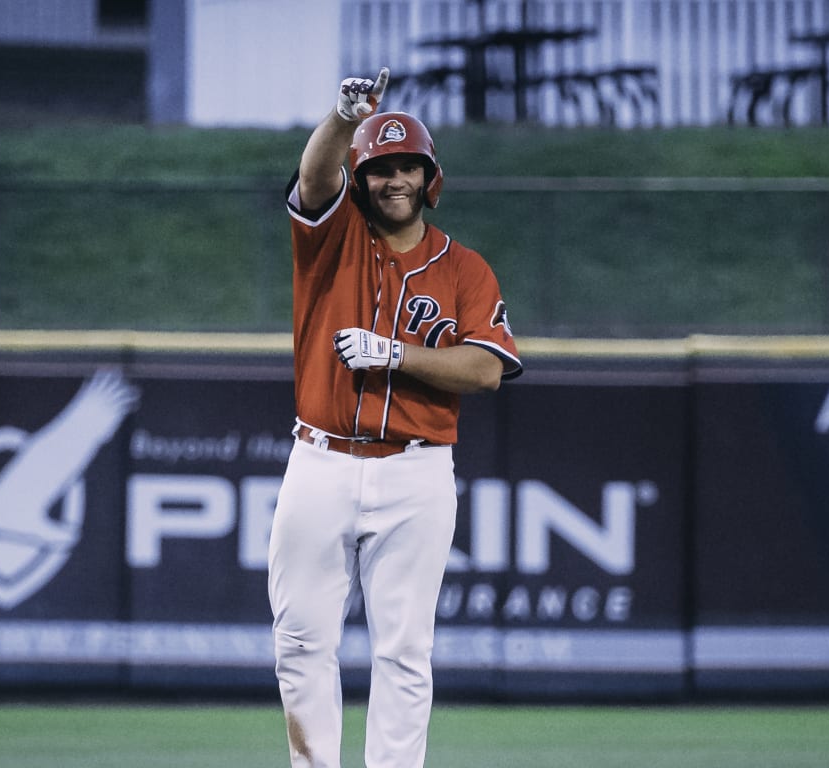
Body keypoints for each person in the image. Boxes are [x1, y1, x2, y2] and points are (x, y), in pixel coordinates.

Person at [269, 67, 522, 768]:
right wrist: (343, 120)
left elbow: (487, 369)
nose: (395, 180)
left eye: (408, 166)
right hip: (320, 460)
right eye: (381, 169)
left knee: (405, 651)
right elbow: (315, 176)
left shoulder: (466, 270)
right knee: (299, 643)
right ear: (363, 178)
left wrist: (394, 355)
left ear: (430, 177)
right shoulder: (331, 238)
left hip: (416, 472)